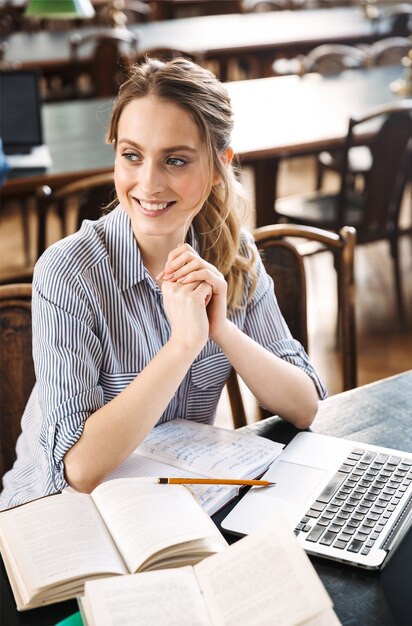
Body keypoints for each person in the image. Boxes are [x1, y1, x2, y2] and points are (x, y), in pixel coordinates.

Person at [0, 58, 326, 510]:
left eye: (175, 160)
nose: (148, 184)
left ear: (218, 167)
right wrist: (183, 345)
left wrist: (221, 330)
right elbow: (78, 468)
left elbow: (305, 406)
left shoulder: (234, 254)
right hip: (54, 512)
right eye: (131, 155)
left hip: (167, 507)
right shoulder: (68, 272)